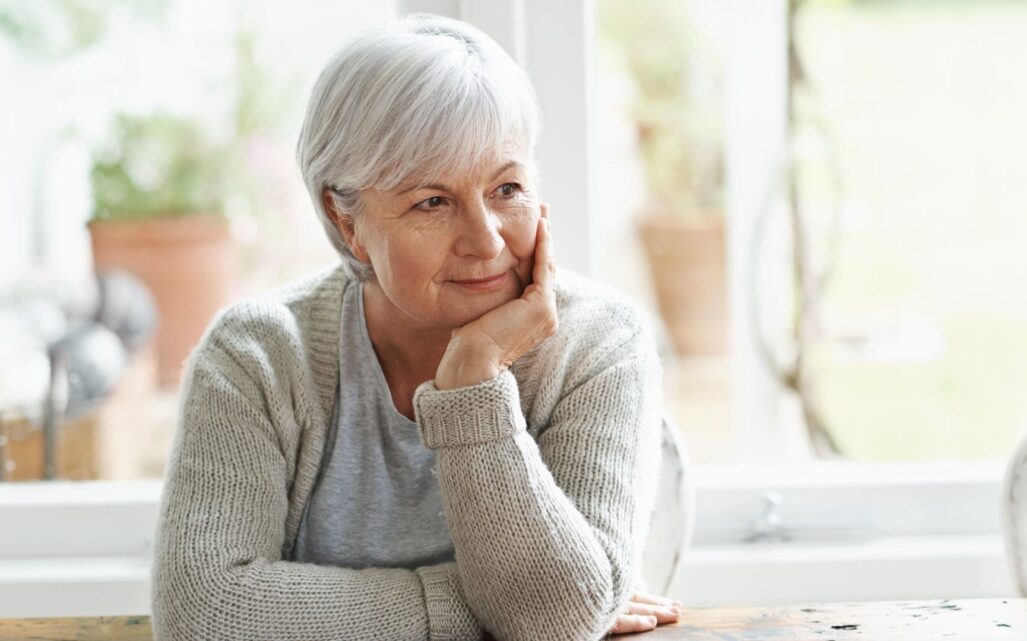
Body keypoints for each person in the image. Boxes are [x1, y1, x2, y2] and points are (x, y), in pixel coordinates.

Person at [150, 13, 682, 641]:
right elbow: (203, 613)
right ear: (347, 222)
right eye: (432, 201)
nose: (486, 241)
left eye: (507, 187)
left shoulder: (600, 343)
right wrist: (483, 610)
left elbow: (556, 623)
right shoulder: (256, 356)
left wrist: (473, 378)